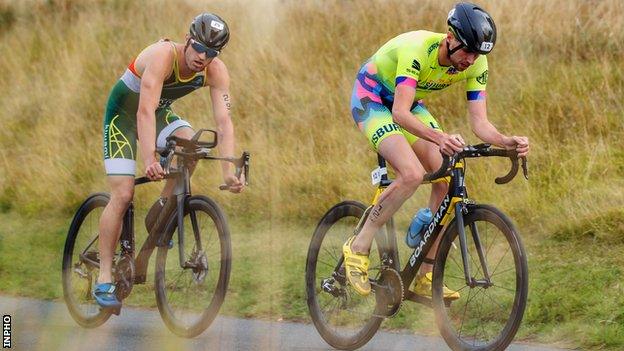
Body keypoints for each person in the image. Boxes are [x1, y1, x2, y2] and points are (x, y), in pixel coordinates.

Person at [343, 2, 529, 297]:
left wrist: (507, 141)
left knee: (445, 178)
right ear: (450, 37)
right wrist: (438, 136)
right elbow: (400, 114)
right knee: (412, 173)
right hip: (372, 98)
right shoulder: (418, 50)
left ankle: (425, 275)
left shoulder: (477, 62)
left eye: (478, 53)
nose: (471, 59)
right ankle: (359, 244)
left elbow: (480, 123)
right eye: (467, 50)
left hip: (406, 103)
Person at [94, 13, 245, 309]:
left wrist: (228, 172)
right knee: (123, 193)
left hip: (158, 112)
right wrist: (149, 157)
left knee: (192, 143)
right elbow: (143, 111)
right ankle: (103, 277)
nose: (203, 57)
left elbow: (224, 122)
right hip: (124, 115)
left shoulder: (216, 71)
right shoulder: (164, 55)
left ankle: (162, 209)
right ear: (188, 39)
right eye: (200, 48)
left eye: (212, 52)